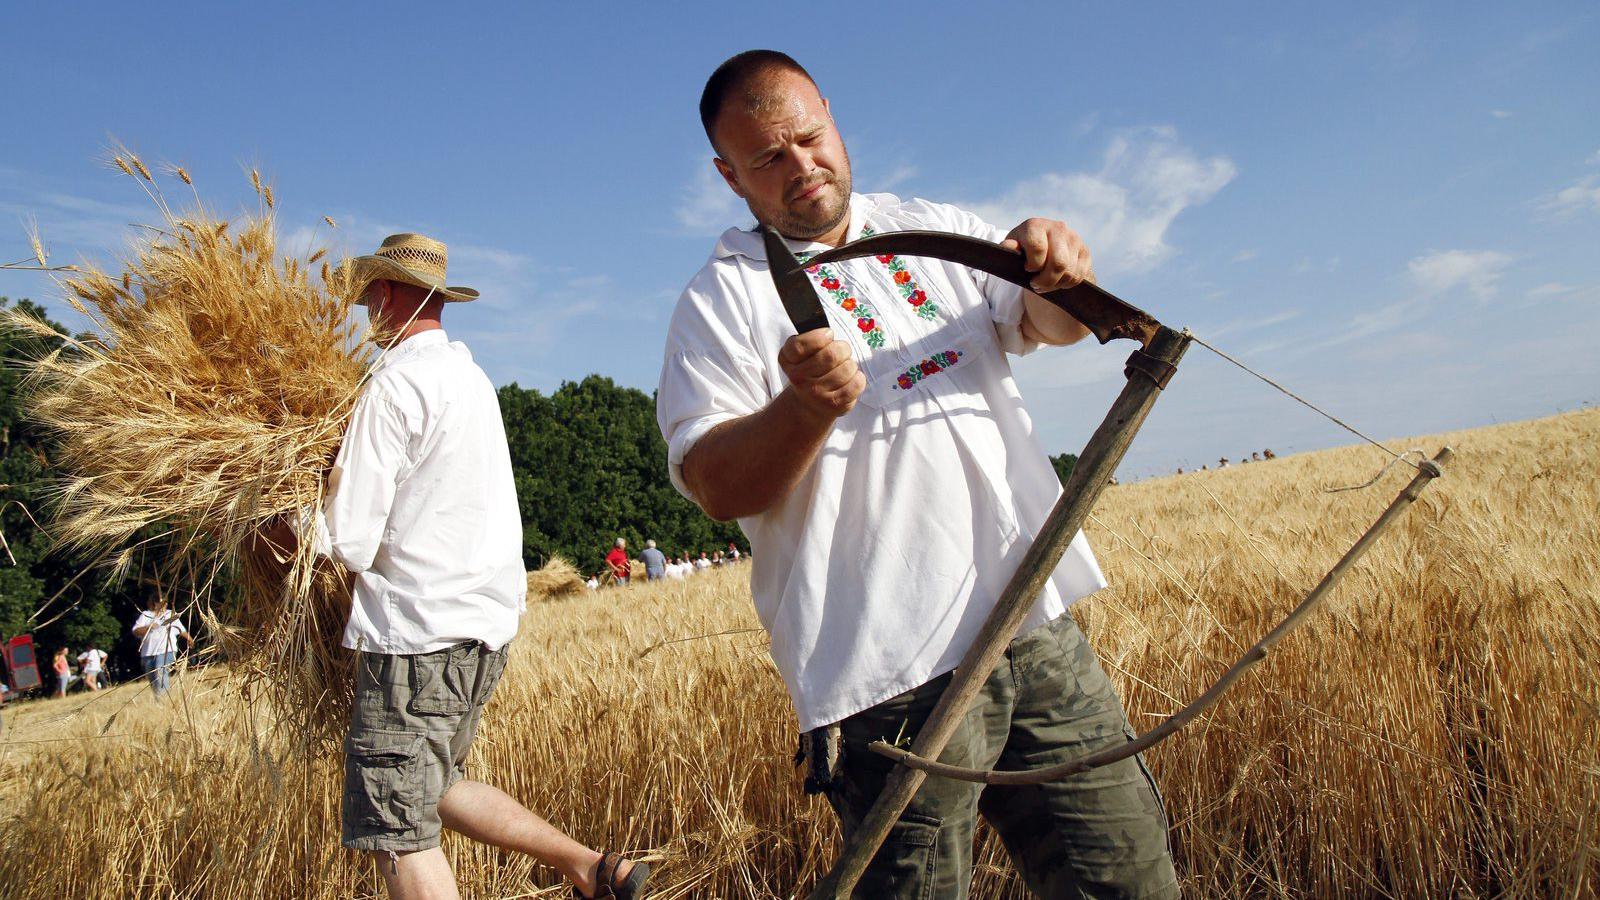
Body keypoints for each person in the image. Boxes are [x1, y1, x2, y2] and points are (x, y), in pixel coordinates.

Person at [656, 51, 1176, 898]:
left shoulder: (930, 224)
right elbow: (715, 485)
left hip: (1032, 625)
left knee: (1127, 876)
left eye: (810, 138)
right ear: (727, 176)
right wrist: (803, 408)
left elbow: (1038, 321)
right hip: (889, 683)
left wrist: (1060, 271)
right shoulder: (720, 303)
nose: (802, 168)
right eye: (767, 160)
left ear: (831, 113)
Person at [259, 233, 648, 900]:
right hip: (482, 630)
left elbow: (346, 540)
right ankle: (588, 867)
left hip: (418, 635)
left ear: (383, 295)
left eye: (366, 302)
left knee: (397, 833)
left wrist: (274, 526)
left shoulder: (392, 388)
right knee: (433, 786)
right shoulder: (470, 379)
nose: (365, 316)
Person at [132, 588, 190, 697]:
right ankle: (159, 701)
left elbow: (180, 629)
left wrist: (190, 639)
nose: (164, 604)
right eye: (161, 602)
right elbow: (136, 631)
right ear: (155, 602)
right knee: (153, 679)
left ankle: (164, 699)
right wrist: (149, 627)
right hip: (148, 653)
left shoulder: (170, 614)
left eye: (165, 602)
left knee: (160, 671)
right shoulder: (145, 615)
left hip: (166, 649)